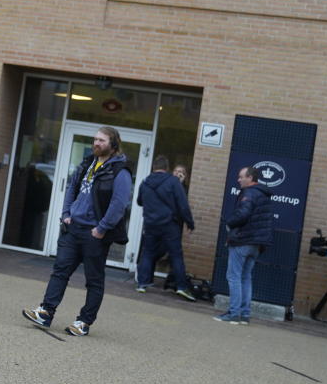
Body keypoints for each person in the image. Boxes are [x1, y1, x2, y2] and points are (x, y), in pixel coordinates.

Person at [22, 126, 132, 337]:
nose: (96, 143)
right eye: (95, 140)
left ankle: (84, 322)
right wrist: (66, 214)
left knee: (93, 280)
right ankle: (45, 312)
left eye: (101, 140)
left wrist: (101, 229)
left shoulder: (120, 171)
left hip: (95, 234)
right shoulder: (87, 163)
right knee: (60, 271)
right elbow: (71, 188)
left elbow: (119, 204)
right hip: (73, 229)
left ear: (113, 144)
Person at [215, 166, 274, 325]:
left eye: (241, 177)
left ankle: (234, 314)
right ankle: (244, 315)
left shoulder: (249, 193)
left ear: (250, 178)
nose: (239, 179)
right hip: (257, 244)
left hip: (243, 240)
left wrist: (229, 223)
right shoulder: (263, 194)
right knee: (246, 278)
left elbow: (243, 214)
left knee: (233, 277)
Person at [135, 155, 196, 300]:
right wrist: (190, 223)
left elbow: (139, 201)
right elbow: (183, 204)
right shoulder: (173, 182)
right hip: (169, 224)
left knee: (148, 252)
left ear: (153, 167)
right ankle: (181, 286)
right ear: (167, 168)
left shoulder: (145, 182)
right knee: (176, 254)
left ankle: (142, 284)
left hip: (150, 223)